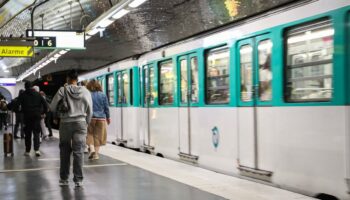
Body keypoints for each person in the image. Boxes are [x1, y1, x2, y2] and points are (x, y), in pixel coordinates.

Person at [50, 69, 92, 187]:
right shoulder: (85, 91)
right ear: (77, 80)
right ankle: (78, 180)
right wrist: (86, 122)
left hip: (66, 123)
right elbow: (90, 110)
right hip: (80, 123)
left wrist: (58, 115)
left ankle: (64, 179)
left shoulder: (62, 90)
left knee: (64, 151)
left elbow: (52, 107)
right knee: (78, 151)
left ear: (67, 79)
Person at [18, 81, 48, 157]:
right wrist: (43, 113)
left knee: (27, 134)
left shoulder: (23, 95)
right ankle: (37, 150)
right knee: (36, 133)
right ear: (32, 87)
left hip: (27, 116)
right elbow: (45, 105)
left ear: (25, 87)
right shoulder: (38, 94)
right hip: (36, 116)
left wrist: (20, 110)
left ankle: (27, 151)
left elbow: (16, 104)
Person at [86, 80, 110, 160]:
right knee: (98, 136)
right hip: (101, 118)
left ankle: (91, 149)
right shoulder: (103, 95)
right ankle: (96, 155)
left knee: (89, 133)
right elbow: (106, 107)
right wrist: (108, 118)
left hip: (91, 117)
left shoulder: (88, 95)